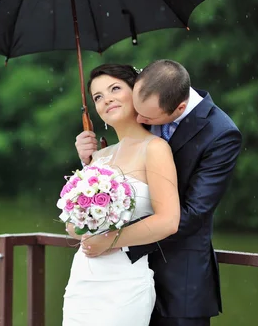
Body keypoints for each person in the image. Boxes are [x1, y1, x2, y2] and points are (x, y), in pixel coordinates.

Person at [75, 59, 242, 326]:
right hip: (115, 283)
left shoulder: (220, 134)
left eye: (148, 119)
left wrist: (116, 243)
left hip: (179, 282)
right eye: (98, 96)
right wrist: (91, 164)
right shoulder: (151, 96)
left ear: (179, 108)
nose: (141, 120)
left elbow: (193, 212)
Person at [63, 64, 181, 326]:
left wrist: (110, 240)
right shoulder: (98, 158)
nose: (107, 99)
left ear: (137, 93)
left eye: (115, 89)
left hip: (124, 281)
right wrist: (83, 231)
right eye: (98, 97)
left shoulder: (155, 148)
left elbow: (168, 221)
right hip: (84, 278)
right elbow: (72, 224)